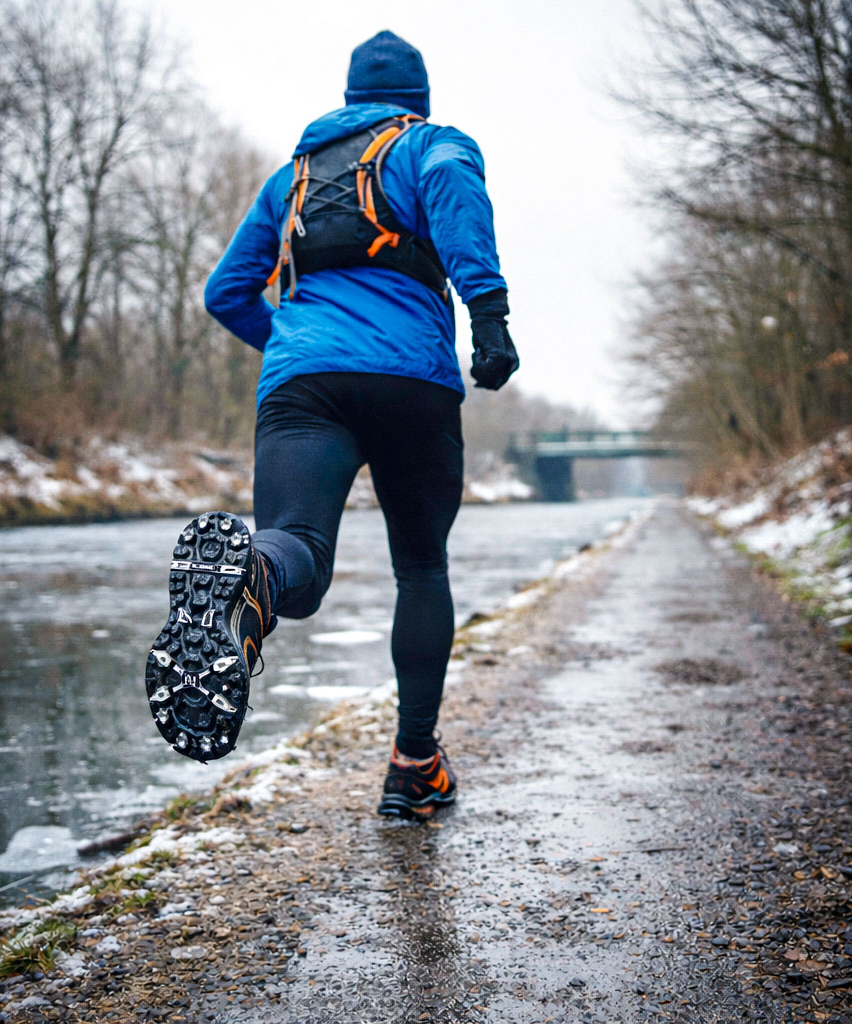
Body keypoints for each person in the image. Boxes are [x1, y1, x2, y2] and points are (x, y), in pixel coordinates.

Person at [144, 29, 517, 820]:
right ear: (415, 100)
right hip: (411, 384)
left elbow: (225, 292)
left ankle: (253, 582)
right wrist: (488, 316)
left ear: (348, 102)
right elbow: (454, 186)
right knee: (420, 569)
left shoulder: (292, 179)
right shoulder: (430, 145)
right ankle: (415, 766)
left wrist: (290, 344)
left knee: (297, 551)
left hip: (304, 386)